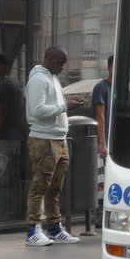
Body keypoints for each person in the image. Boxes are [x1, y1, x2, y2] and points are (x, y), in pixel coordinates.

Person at [24, 46, 79, 247]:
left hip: (58, 138)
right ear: (48, 58)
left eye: (63, 64)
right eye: (59, 63)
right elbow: (37, 111)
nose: (62, 67)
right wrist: (66, 106)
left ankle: (54, 228)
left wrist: (66, 107)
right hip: (44, 139)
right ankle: (32, 230)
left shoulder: (52, 77)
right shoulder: (39, 79)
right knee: (40, 185)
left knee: (55, 187)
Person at [0, 53, 25, 219]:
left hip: (6, 136)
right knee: (10, 175)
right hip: (14, 135)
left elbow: (0, 113)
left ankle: (3, 211)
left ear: (3, 67)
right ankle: (10, 209)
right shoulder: (14, 84)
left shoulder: (5, 85)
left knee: (2, 175)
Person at [92, 54, 113, 160]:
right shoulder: (101, 87)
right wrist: (102, 143)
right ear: (109, 67)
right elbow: (100, 116)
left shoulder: (118, 87)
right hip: (104, 137)